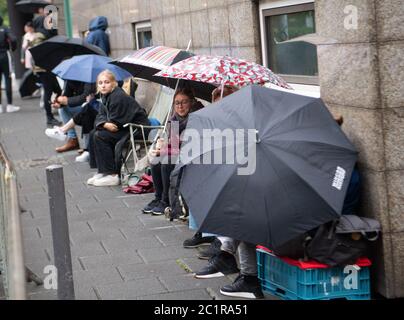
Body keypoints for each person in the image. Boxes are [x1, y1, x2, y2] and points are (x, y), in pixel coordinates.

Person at [142, 88, 204, 216]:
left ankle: (166, 200)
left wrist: (165, 150)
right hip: (179, 153)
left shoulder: (196, 117)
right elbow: (175, 146)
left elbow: (187, 144)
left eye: (184, 102)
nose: (180, 106)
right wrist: (162, 148)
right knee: (155, 160)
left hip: (194, 155)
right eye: (177, 103)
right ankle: (158, 197)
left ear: (191, 102)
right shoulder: (175, 119)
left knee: (167, 162)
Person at [87, 70, 149, 187]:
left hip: (136, 129)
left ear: (114, 83)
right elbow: (100, 116)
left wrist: (104, 124)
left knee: (100, 136)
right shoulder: (105, 95)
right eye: (100, 83)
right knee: (93, 133)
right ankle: (103, 171)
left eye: (106, 82)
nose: (103, 85)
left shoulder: (118, 96)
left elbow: (116, 124)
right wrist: (104, 124)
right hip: (122, 126)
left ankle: (112, 175)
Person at [31, 16, 62, 126]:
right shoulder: (39, 35)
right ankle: (49, 117)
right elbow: (38, 51)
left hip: (48, 67)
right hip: (43, 68)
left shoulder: (46, 34)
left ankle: (59, 110)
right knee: (48, 92)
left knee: (57, 90)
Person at [51, 81, 97, 153]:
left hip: (96, 107)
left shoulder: (89, 78)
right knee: (63, 109)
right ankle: (72, 140)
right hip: (85, 106)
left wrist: (67, 101)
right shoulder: (71, 78)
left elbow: (85, 97)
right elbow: (67, 95)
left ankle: (88, 149)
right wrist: (60, 103)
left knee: (86, 111)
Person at [0, 16, 20, 113]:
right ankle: (9, 105)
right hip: (4, 55)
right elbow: (14, 39)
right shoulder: (5, 28)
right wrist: (13, 48)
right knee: (7, 79)